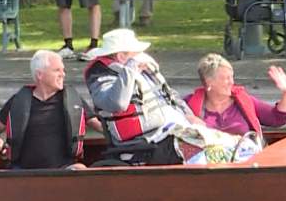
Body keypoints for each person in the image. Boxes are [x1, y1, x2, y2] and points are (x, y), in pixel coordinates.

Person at [83, 28, 199, 165]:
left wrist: (188, 115)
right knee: (203, 150)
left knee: (220, 145)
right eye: (137, 52)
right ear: (121, 56)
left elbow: (170, 95)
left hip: (170, 132)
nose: (142, 55)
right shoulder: (100, 74)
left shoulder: (143, 69)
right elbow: (116, 103)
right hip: (144, 142)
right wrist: (130, 72)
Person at [0, 50, 91, 170]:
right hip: (23, 171)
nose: (63, 74)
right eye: (57, 70)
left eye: (63, 70)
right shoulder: (19, 101)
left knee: (80, 169)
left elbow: (99, 124)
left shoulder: (72, 99)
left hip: (63, 170)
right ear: (40, 75)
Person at [185, 54, 286, 137]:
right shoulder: (189, 104)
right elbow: (170, 124)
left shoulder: (243, 100)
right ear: (209, 82)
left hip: (243, 162)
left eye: (232, 77)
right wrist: (186, 121)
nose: (231, 82)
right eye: (226, 78)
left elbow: (277, 118)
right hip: (206, 164)